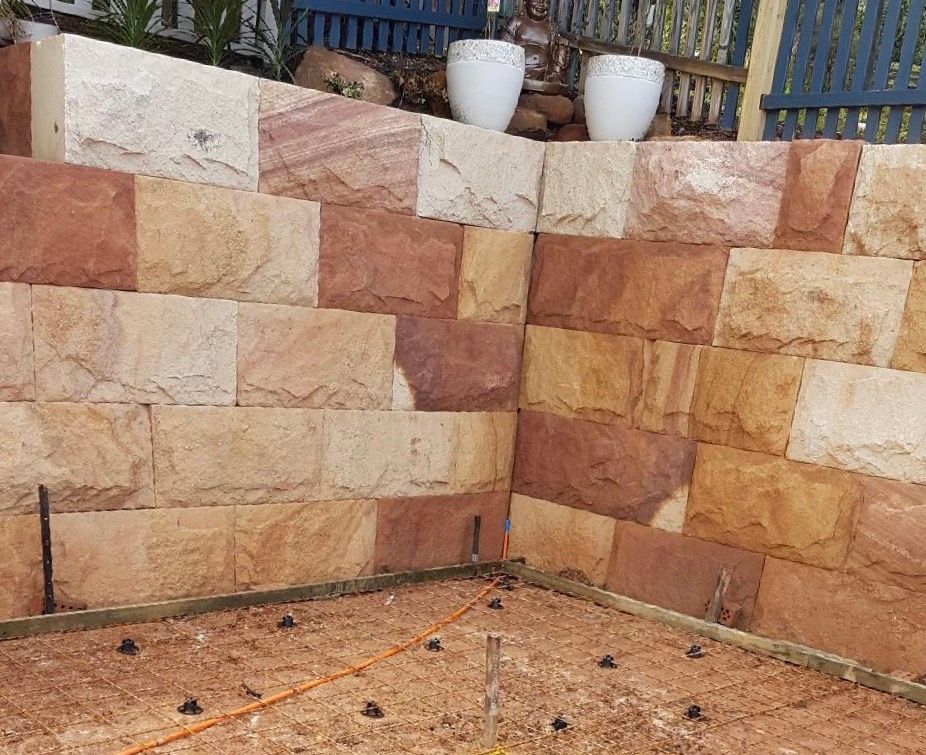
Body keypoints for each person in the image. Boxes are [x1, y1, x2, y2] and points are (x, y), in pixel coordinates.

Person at [500, 0, 570, 83]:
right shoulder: (516, 22)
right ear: (525, 2)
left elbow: (555, 52)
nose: (541, 5)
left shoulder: (551, 27)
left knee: (562, 47)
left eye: (545, 2)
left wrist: (560, 43)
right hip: (519, 69)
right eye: (536, 1)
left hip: (544, 72)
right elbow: (504, 45)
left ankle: (555, 80)